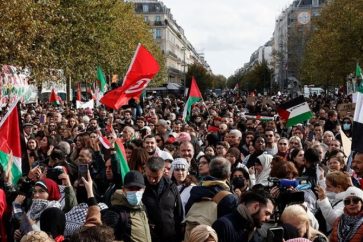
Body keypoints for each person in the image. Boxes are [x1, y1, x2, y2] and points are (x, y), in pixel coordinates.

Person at [142, 157, 183, 242]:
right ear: (145, 169)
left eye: (156, 177)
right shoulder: (139, 186)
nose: (152, 180)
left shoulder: (171, 186)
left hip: (170, 237)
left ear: (163, 171)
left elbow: (179, 213)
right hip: (147, 237)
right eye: (149, 176)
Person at [102, 170, 151, 242]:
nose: (135, 192)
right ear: (123, 190)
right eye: (131, 188)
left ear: (144, 189)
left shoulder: (142, 207)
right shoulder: (115, 213)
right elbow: (105, 239)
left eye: (138, 188)